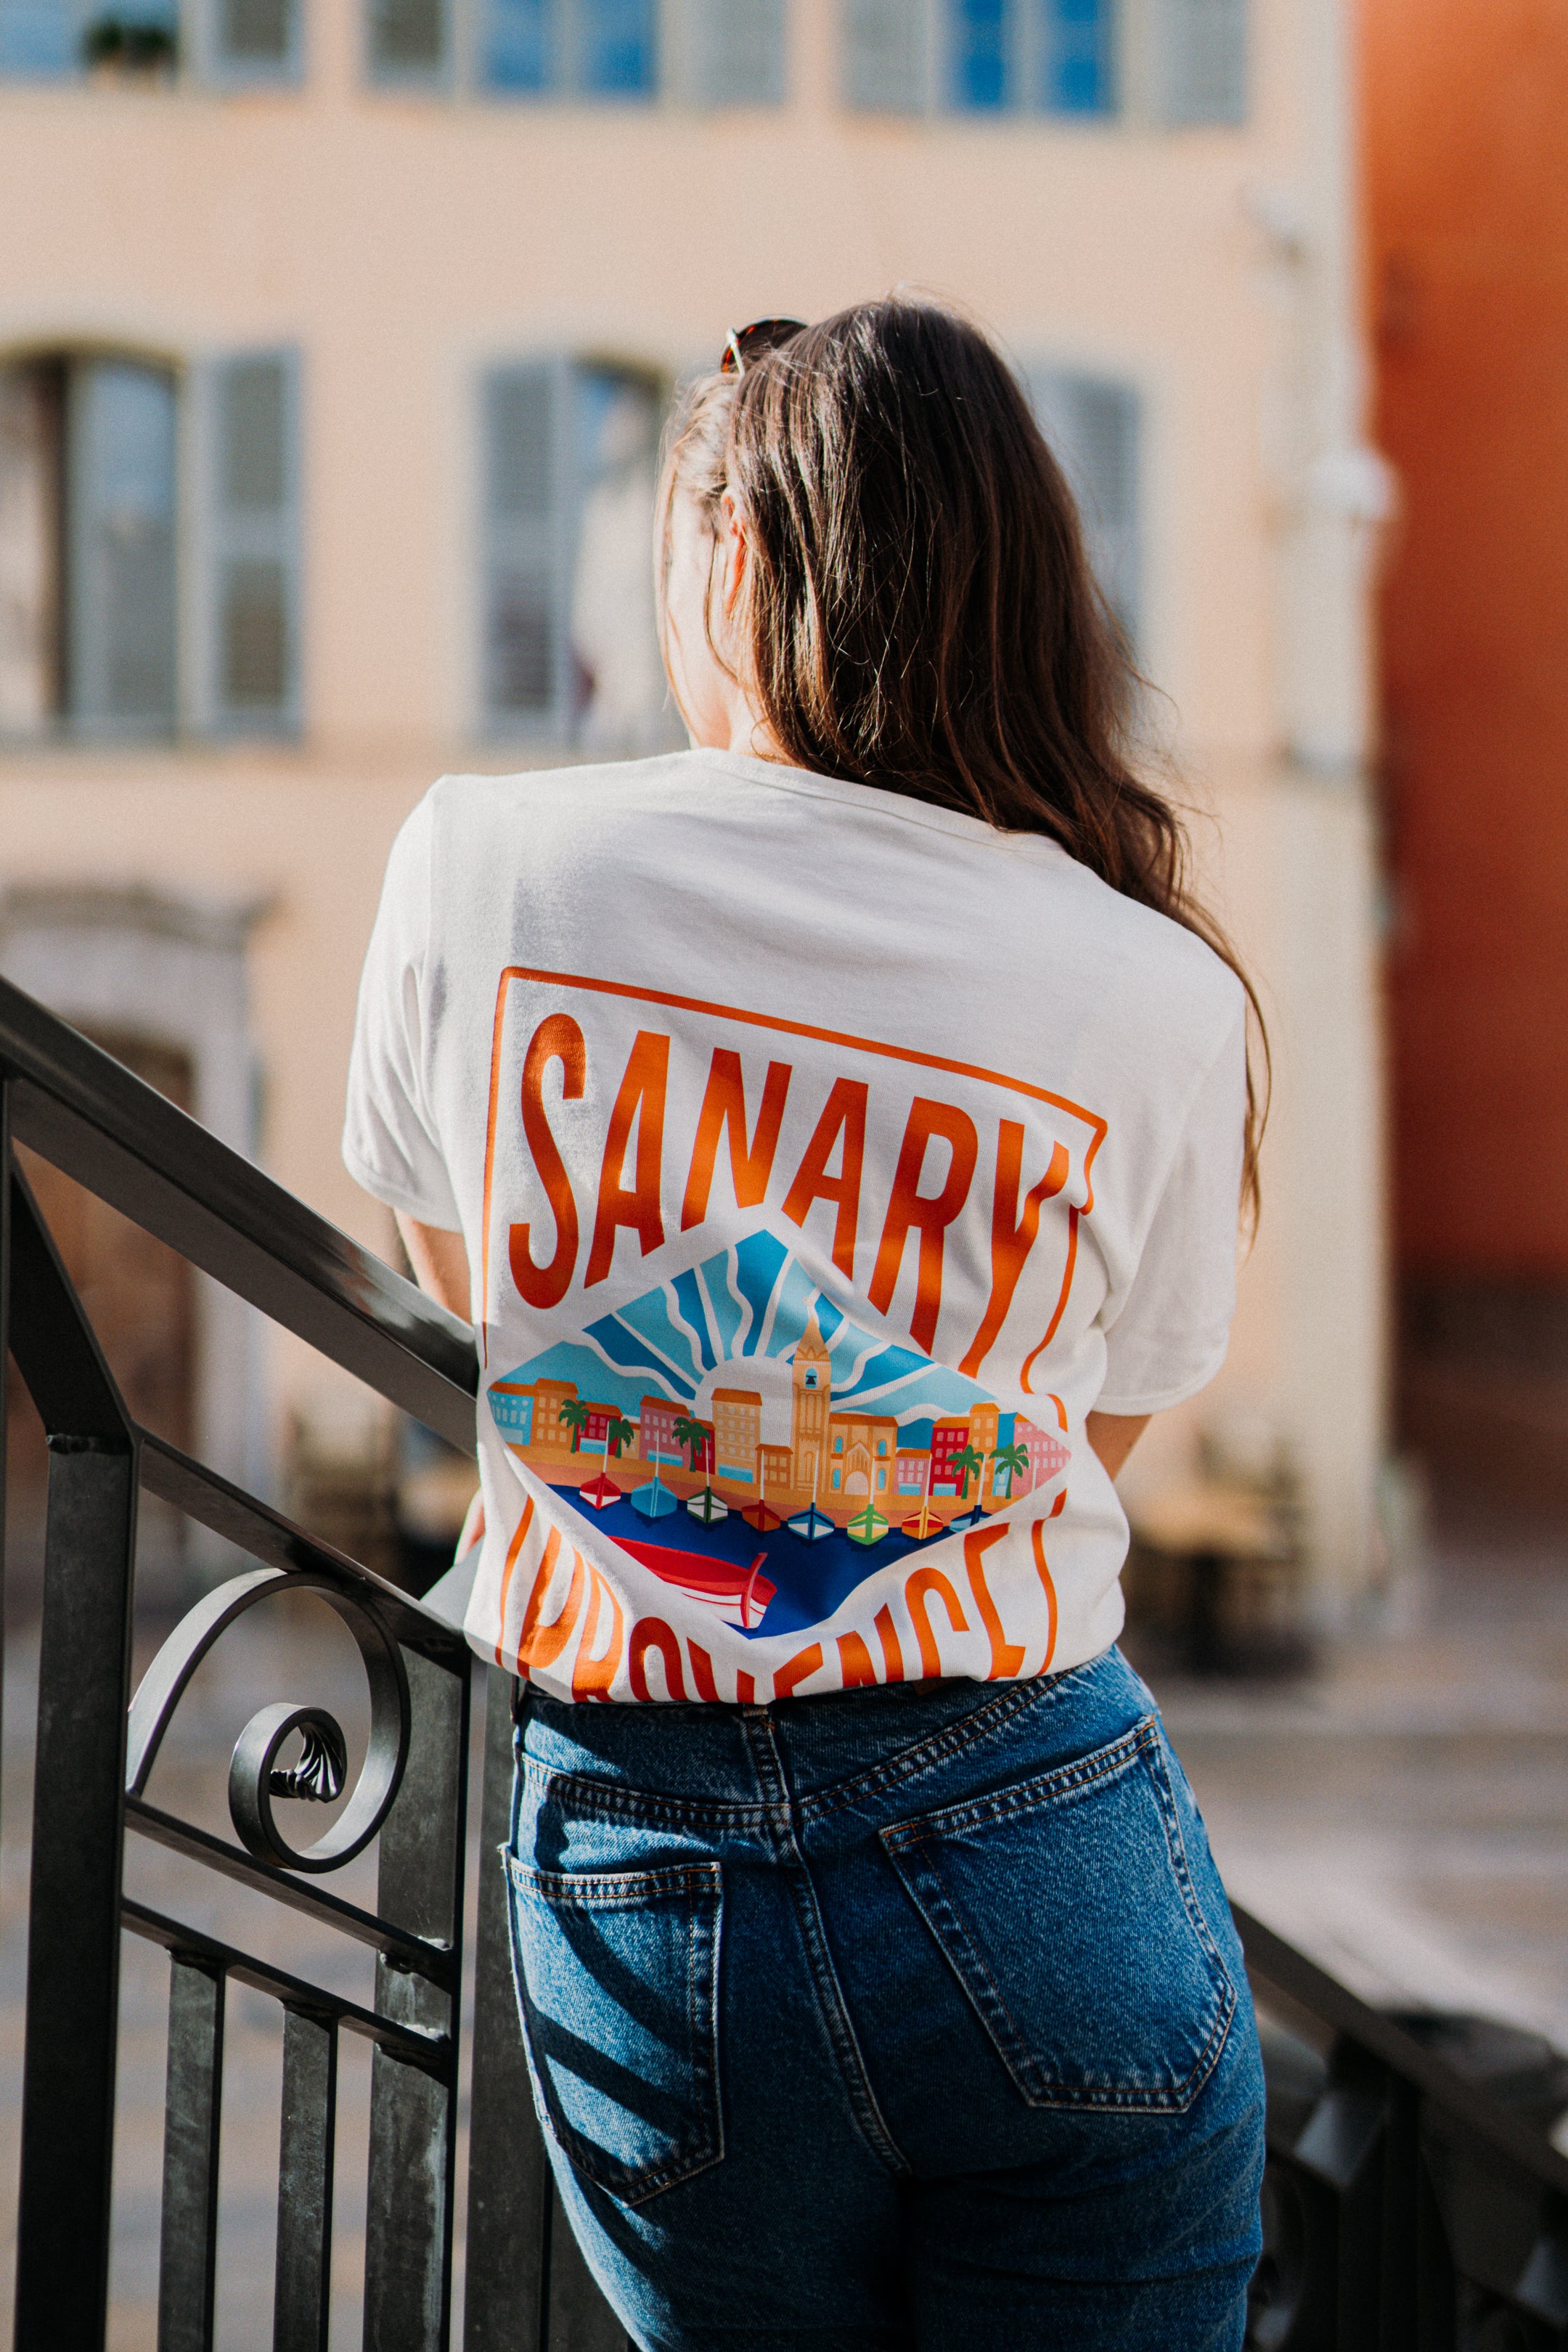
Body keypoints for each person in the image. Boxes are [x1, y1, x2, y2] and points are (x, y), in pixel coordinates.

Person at [344, 299, 1267, 2351]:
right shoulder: (1158, 988)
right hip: (1040, 1830)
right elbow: (1088, 1438)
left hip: (643, 1856)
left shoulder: (484, 863)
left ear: (737, 555)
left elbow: (475, 1295)